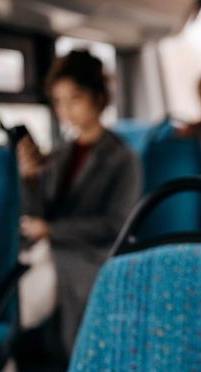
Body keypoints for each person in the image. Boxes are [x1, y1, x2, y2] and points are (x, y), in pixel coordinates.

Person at [17, 49, 141, 355]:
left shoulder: (123, 158)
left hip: (92, 254)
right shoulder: (59, 155)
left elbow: (116, 224)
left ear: (98, 98)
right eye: (58, 101)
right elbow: (40, 212)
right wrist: (29, 180)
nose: (65, 110)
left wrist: (51, 231)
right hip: (54, 248)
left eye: (74, 99)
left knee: (22, 299)